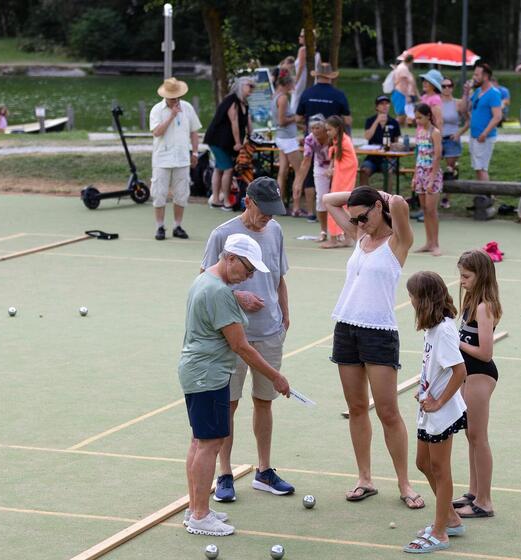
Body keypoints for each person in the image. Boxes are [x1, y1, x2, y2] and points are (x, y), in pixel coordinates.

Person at [181, 233, 291, 537]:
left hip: (199, 371)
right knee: (209, 443)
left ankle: (196, 507)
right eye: (247, 269)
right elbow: (241, 346)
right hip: (209, 374)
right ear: (230, 258)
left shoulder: (206, 283)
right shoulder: (218, 292)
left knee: (200, 441)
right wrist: (276, 376)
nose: (248, 276)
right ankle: (200, 515)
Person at [322, 186, 422, 510]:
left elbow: (402, 204)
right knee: (356, 408)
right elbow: (328, 201)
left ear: (379, 207)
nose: (359, 223)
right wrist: (360, 206)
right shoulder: (359, 235)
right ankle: (364, 478)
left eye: (364, 216)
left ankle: (404, 483)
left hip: (379, 332)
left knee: (388, 411)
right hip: (346, 327)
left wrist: (380, 193)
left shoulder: (398, 241)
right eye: (355, 219)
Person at [200, 178, 296, 504]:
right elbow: (206, 281)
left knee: (264, 401)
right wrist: (239, 297)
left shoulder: (276, 230)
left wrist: (285, 312)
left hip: (270, 331)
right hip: (232, 333)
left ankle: (264, 471)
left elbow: (279, 277)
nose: (268, 217)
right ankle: (224, 473)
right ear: (249, 202)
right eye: (264, 210)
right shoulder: (222, 235)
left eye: (273, 211)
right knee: (229, 403)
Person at [402, 271, 468, 554]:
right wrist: (426, 388)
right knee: (422, 463)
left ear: (424, 299)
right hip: (429, 407)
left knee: (440, 470)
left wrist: (439, 401)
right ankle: (450, 519)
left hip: (442, 412)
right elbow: (436, 367)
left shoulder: (444, 330)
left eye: (413, 297)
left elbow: (460, 371)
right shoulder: (433, 328)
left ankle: (441, 532)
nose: (410, 302)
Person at [453, 250, 501, 520]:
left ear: (480, 276)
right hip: (467, 374)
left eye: (466, 276)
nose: (461, 281)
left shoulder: (484, 306)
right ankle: (473, 492)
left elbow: (485, 352)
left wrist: (454, 342)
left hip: (480, 374)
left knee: (479, 438)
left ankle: (485, 501)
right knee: (470, 435)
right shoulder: (471, 301)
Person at [149, 77, 202, 241]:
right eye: (172, 97)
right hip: (162, 158)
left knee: (181, 193)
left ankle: (177, 226)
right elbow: (156, 132)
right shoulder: (157, 110)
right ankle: (160, 226)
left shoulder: (187, 108)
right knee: (159, 193)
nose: (175, 100)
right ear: (165, 96)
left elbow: (194, 131)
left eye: (177, 96)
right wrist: (171, 116)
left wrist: (194, 153)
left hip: (181, 158)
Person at [204, 77, 253, 210]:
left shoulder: (244, 103)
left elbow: (247, 122)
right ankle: (226, 201)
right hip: (218, 140)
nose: (252, 89)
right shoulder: (232, 101)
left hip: (225, 142)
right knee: (228, 168)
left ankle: (215, 199)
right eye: (250, 86)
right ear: (241, 86)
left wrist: (251, 135)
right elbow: (234, 122)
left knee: (220, 168)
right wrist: (237, 142)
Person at [458, 61, 502, 182]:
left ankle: (487, 196)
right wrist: (466, 93)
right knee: (477, 168)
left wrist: (484, 133)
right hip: (474, 135)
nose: (474, 77)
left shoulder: (494, 94)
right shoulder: (477, 92)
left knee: (482, 168)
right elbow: (462, 110)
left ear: (485, 76)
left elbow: (497, 116)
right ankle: (483, 195)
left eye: (477, 75)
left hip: (484, 137)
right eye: (474, 74)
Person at [410, 104, 444, 256]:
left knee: (431, 209)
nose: (418, 120)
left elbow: (437, 156)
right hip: (421, 173)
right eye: (416, 117)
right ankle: (428, 242)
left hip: (432, 174)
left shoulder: (434, 132)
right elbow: (419, 155)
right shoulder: (420, 132)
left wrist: (431, 179)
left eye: (420, 117)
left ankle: (435, 243)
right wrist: (415, 176)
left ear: (428, 116)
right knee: (424, 209)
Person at [293, 114, 331, 242]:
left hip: (337, 166)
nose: (315, 131)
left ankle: (342, 232)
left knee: (337, 197)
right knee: (320, 198)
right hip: (320, 166)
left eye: (318, 128)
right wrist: (298, 183)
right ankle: (323, 231)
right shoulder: (309, 139)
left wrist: (333, 168)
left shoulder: (332, 136)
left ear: (324, 127)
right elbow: (306, 162)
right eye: (312, 128)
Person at [323, 115, 358, 249]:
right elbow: (337, 158)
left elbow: (352, 161)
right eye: (326, 130)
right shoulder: (339, 140)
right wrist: (333, 168)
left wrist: (337, 170)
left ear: (337, 129)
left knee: (334, 203)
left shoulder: (344, 141)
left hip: (345, 175)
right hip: (341, 174)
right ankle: (346, 237)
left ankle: (334, 238)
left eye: (329, 130)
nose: (327, 133)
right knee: (341, 205)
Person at [272, 73, 304, 214]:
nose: (293, 87)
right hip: (287, 139)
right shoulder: (283, 98)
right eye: (292, 84)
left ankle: (278, 206)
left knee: (282, 171)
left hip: (281, 137)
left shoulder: (275, 96)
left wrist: (299, 125)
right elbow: (282, 121)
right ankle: (296, 207)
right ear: (287, 84)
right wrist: (295, 119)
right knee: (300, 171)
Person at [360, 95, 402, 187]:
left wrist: (394, 145)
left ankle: (388, 198)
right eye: (382, 104)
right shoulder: (370, 120)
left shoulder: (394, 122)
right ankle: (365, 197)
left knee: (389, 171)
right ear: (376, 107)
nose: (385, 106)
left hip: (388, 157)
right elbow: (367, 136)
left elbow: (396, 142)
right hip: (373, 157)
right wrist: (377, 121)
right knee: (364, 171)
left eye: (387, 104)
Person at [295, 63, 352, 129]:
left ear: (316, 76)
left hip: (312, 135)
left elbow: (298, 119)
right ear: (331, 77)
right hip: (332, 135)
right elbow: (348, 121)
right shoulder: (339, 94)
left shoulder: (306, 93)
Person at [438, 76, 462, 178]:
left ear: (452, 88)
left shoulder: (458, 103)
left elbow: (469, 121)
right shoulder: (436, 103)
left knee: (449, 170)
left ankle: (448, 194)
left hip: (451, 139)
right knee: (435, 168)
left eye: (449, 86)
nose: (447, 88)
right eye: (444, 86)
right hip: (438, 138)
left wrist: (459, 133)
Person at [293, 29, 321, 112]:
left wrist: (295, 81)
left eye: (301, 36)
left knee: (297, 100)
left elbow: (301, 67)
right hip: (313, 79)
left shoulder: (303, 50)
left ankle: (295, 118)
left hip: (302, 79)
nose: (299, 37)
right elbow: (319, 69)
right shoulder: (317, 53)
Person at [392, 55, 418, 127]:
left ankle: (404, 132)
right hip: (401, 93)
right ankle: (390, 128)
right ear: (411, 61)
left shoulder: (404, 68)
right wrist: (407, 96)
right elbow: (403, 84)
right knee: (402, 116)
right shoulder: (403, 68)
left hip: (402, 93)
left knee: (408, 116)